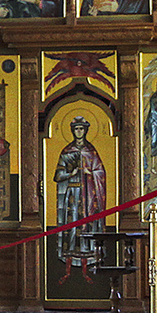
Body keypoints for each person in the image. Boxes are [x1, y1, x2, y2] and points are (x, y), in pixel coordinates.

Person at [53, 116, 109, 275]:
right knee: (72, 230)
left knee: (87, 229)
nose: (79, 131)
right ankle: (68, 271)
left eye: (81, 128)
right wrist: (72, 173)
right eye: (76, 128)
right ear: (72, 131)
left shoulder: (91, 151)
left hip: (89, 197)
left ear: (85, 130)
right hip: (73, 196)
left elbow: (101, 173)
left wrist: (89, 172)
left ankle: (87, 270)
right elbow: (58, 176)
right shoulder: (67, 151)